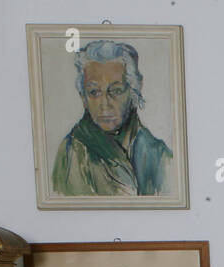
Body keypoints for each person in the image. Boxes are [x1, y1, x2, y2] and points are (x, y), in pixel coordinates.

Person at [52, 40, 173, 197]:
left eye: (115, 91)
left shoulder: (158, 153)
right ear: (83, 98)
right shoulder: (70, 152)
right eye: (94, 92)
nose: (104, 104)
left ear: (133, 92)